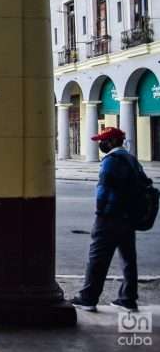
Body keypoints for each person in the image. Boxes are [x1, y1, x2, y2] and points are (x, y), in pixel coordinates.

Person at [70, 127, 146, 312]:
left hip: (110, 217)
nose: (100, 144)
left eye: (103, 141)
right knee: (128, 258)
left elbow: (103, 189)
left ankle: (88, 298)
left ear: (112, 141)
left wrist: (100, 211)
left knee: (97, 258)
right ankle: (128, 298)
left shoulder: (111, 160)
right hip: (128, 217)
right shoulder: (131, 159)